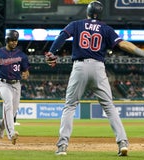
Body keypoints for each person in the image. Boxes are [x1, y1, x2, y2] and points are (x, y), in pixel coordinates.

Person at [45, 1, 144, 156]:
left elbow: (62, 36)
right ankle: (122, 143)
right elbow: (123, 45)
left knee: (70, 106)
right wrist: (141, 52)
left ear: (87, 12)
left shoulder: (77, 24)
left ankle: (62, 146)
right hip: (98, 68)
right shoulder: (106, 28)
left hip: (80, 67)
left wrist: (52, 52)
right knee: (109, 107)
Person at [0, 30, 30, 145]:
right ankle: (11, 133)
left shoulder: (21, 55)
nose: (14, 42)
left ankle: (1, 124)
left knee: (13, 112)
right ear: (7, 40)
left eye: (15, 40)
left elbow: (26, 71)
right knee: (8, 104)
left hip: (16, 84)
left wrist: (25, 74)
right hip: (3, 84)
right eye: (12, 40)